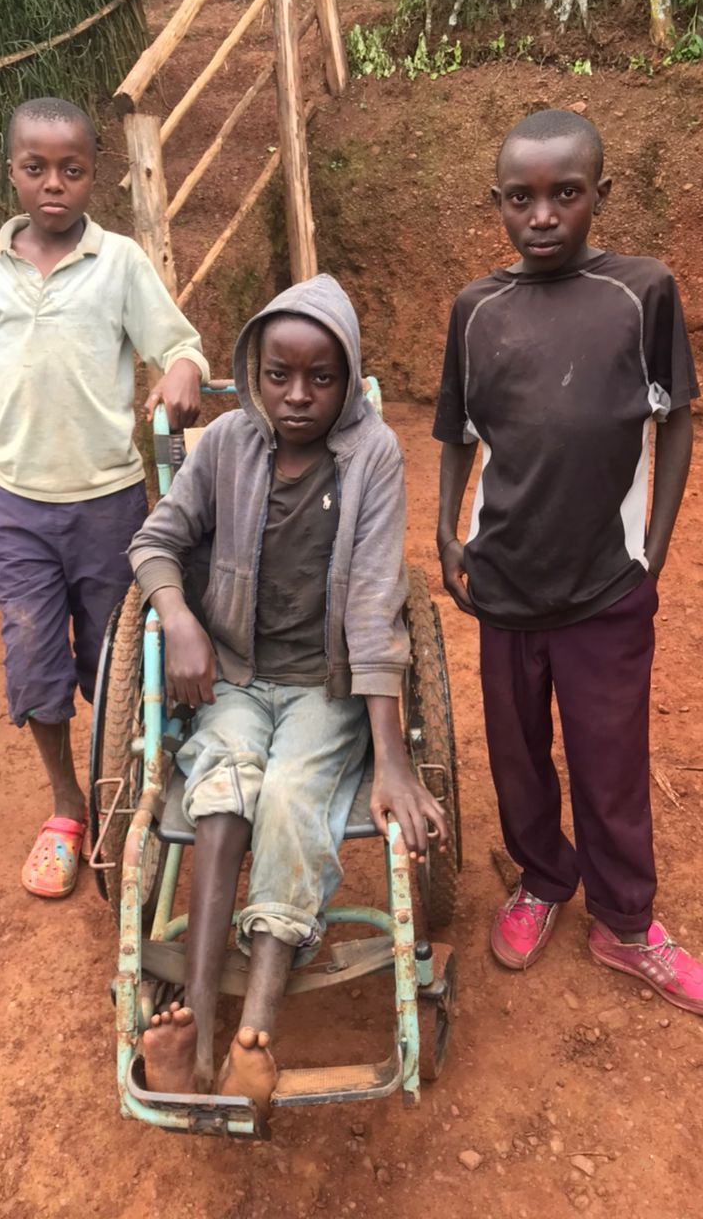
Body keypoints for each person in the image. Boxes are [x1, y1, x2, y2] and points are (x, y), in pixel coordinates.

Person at [127, 273, 447, 1114]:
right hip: (235, 677)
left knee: (293, 795)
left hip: (325, 691)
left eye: (321, 378)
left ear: (349, 381)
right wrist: (180, 620)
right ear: (254, 372)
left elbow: (375, 608)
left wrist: (393, 762)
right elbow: (155, 541)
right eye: (279, 375)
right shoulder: (228, 445)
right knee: (226, 783)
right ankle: (196, 1025)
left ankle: (253, 1035)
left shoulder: (373, 456)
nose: (298, 395)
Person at [434, 109, 703, 1016]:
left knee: (611, 756)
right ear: (496, 202)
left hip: (606, 584)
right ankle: (540, 879)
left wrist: (656, 548)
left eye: (565, 194)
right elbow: (458, 432)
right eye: (520, 199)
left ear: (601, 194)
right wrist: (445, 532)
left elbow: (675, 419)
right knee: (518, 755)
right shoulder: (477, 311)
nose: (543, 216)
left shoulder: (642, 293)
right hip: (505, 582)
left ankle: (627, 921)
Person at [0, 97, 209, 900]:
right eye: (35, 168)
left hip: (109, 505)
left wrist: (182, 367)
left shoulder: (121, 263)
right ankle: (67, 808)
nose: (53, 184)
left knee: (115, 663)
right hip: (19, 506)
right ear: (11, 171)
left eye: (71, 169)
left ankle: (121, 795)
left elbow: (178, 343)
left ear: (93, 174)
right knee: (33, 661)